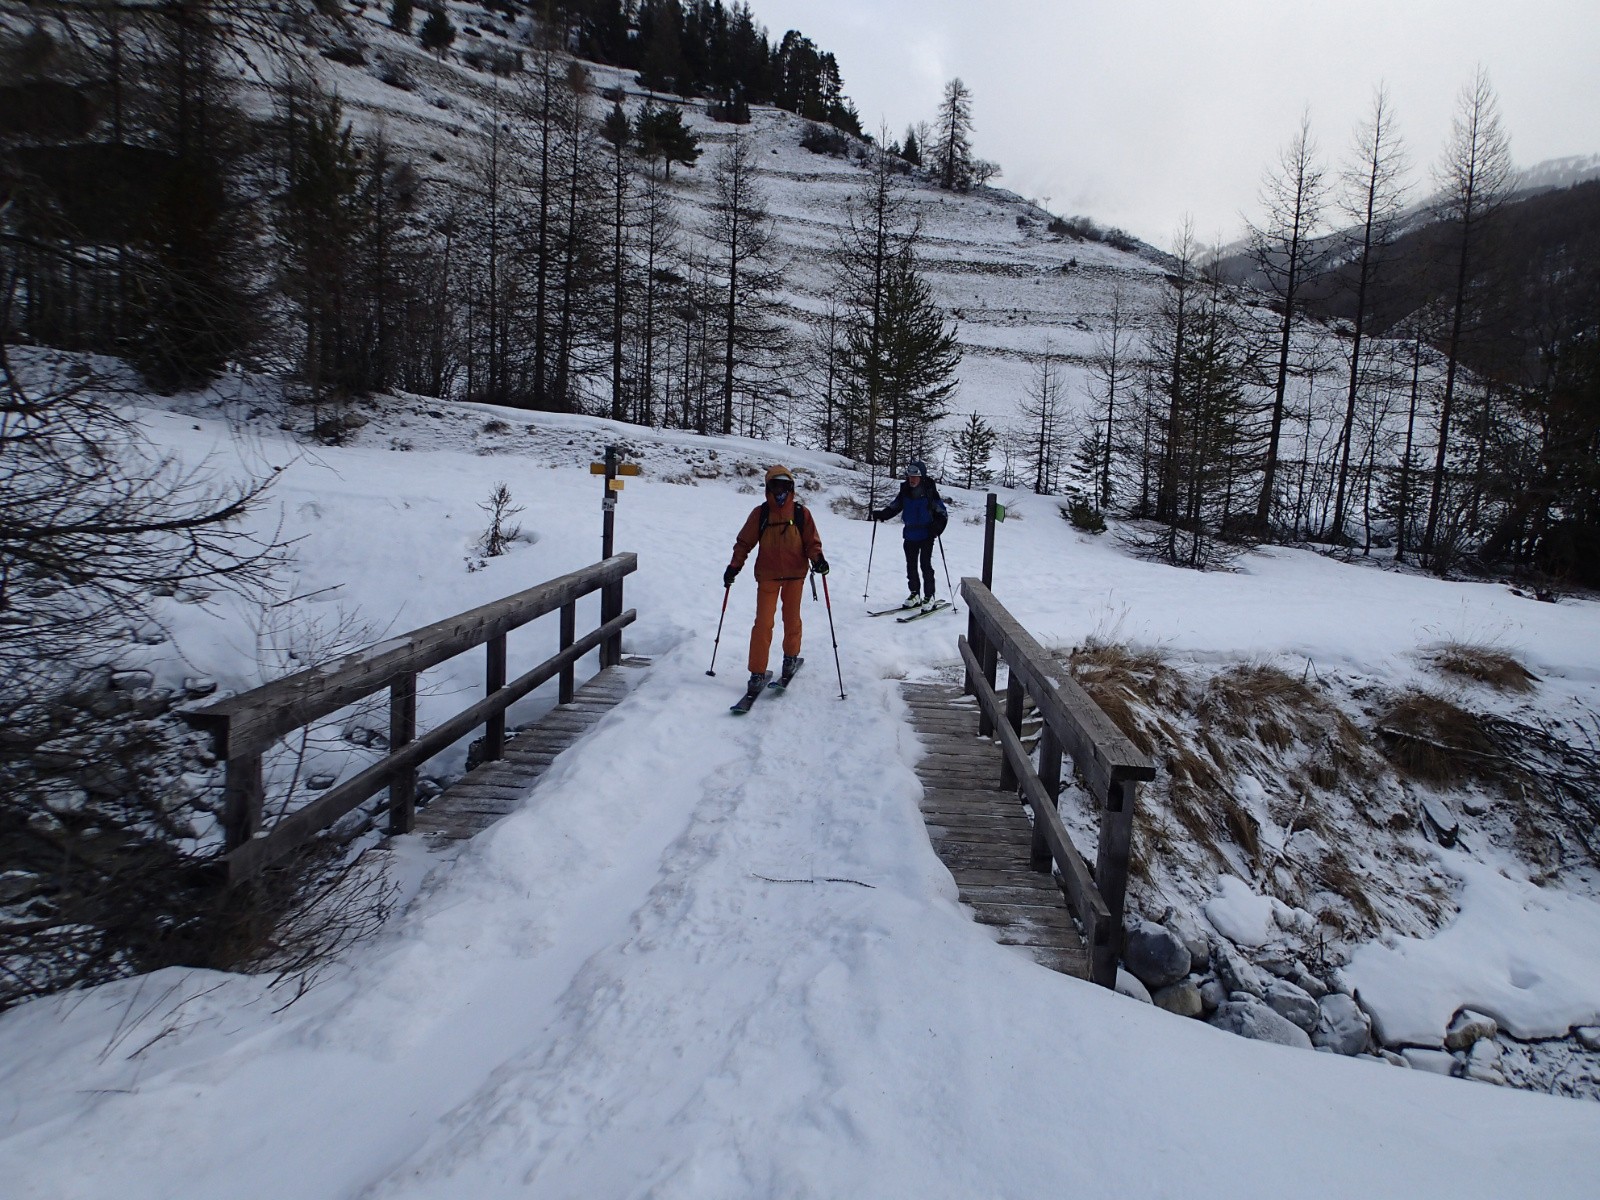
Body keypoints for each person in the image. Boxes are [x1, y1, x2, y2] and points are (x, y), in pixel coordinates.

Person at [724, 465, 828, 690]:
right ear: (768, 487)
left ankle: (790, 657)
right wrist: (734, 566)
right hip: (768, 576)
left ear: (791, 487)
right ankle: (757, 672)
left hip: (795, 575)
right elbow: (744, 543)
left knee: (791, 619)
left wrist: (818, 560)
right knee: (763, 624)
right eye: (775, 485)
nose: (780, 491)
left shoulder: (801, 513)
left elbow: (811, 542)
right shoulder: (760, 514)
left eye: (784, 485)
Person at [874, 460, 947, 608]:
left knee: (925, 565)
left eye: (915, 477)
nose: (912, 479)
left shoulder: (929, 492)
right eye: (910, 476)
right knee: (911, 566)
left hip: (926, 534)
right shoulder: (905, 491)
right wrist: (882, 515)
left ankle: (929, 596)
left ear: (922, 477)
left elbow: (942, 513)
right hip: (909, 534)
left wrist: (937, 527)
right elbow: (894, 507)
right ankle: (915, 593)